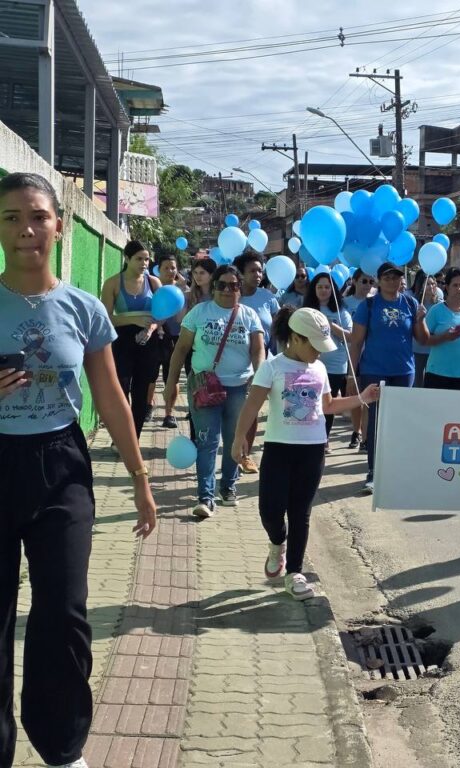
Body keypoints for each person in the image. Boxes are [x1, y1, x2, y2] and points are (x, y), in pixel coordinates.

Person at [0, 172, 156, 768]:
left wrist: (141, 481)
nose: (26, 230)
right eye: (11, 218)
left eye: (37, 216)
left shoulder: (84, 308)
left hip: (62, 464)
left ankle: (61, 747)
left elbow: (112, 397)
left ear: (58, 226)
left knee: (62, 611)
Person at [231, 307, 379, 600]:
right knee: (270, 511)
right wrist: (238, 439)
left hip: (312, 450)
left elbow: (327, 406)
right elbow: (251, 406)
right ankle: (277, 544)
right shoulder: (272, 367)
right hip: (278, 449)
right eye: (314, 345)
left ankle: (294, 572)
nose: (319, 354)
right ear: (296, 338)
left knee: (301, 512)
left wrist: (361, 398)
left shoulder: (320, 369)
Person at [164, 265, 265, 519]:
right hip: (204, 387)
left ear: (239, 288)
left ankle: (228, 486)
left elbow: (257, 350)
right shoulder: (200, 312)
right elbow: (181, 349)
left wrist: (261, 380)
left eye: (234, 285)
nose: (228, 290)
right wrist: (170, 382)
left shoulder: (249, 315)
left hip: (238, 389)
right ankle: (205, 498)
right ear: (214, 286)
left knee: (234, 439)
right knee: (207, 442)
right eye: (222, 285)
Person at [348, 262, 428, 495]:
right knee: (376, 421)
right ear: (379, 281)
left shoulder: (411, 303)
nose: (392, 281)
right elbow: (356, 342)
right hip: (374, 370)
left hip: (404, 371)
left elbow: (422, 339)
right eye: (387, 277)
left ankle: (395, 471)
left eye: (396, 277)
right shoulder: (369, 305)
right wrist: (352, 373)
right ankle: (373, 472)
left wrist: (421, 319)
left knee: (399, 422)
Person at [99, 240, 163, 440]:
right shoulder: (112, 283)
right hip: (122, 342)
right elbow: (106, 318)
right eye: (138, 259)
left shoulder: (154, 283)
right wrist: (134, 318)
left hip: (148, 341)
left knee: (141, 393)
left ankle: (133, 438)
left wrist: (151, 329)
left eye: (146, 259)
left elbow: (161, 315)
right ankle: (120, 435)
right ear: (127, 259)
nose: (144, 263)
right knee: (121, 389)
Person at [234, 254, 279, 473]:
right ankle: (233, 451)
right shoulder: (231, 295)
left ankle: (246, 455)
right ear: (241, 274)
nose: (258, 275)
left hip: (262, 362)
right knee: (235, 411)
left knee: (252, 409)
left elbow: (279, 329)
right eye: (252, 270)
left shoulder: (268, 297)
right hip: (234, 362)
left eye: (260, 270)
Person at [303, 272, 352, 447]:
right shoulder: (306, 311)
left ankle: (324, 439)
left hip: (336, 366)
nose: (323, 290)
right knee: (308, 402)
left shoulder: (341, 311)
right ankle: (309, 438)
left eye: (326, 287)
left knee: (327, 405)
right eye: (319, 287)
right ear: (313, 289)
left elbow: (351, 337)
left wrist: (331, 326)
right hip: (310, 364)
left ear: (332, 290)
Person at [424, 267, 460, 392]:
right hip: (439, 374)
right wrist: (444, 337)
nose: (459, 289)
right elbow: (424, 340)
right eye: (455, 285)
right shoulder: (436, 311)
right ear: (447, 287)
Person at [153, 253, 188, 429]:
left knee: (171, 376)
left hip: (175, 338)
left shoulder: (183, 291)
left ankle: (169, 413)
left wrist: (181, 290)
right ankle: (147, 407)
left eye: (173, 268)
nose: (170, 271)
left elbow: (182, 320)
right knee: (149, 376)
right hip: (153, 336)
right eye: (166, 268)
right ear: (158, 270)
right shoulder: (152, 287)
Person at [342, 268, 375, 448]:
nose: (368, 286)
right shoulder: (344, 303)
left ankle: (366, 437)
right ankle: (356, 431)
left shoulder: (375, 303)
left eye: (371, 282)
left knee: (368, 397)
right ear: (354, 281)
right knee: (355, 395)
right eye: (364, 281)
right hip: (351, 353)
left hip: (370, 355)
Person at [409, 270, 443, 388]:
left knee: (432, 382)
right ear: (421, 286)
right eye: (427, 284)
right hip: (416, 349)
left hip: (434, 350)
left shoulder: (440, 304)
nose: (431, 286)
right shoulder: (414, 303)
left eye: (433, 283)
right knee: (416, 382)